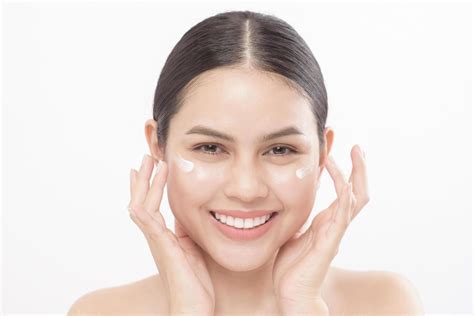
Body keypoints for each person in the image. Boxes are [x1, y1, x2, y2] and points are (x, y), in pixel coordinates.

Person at [68, 10, 423, 315]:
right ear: (158, 146)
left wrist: (303, 305)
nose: (246, 188)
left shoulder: (385, 304)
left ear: (322, 155)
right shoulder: (99, 312)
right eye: (210, 147)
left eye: (280, 150)